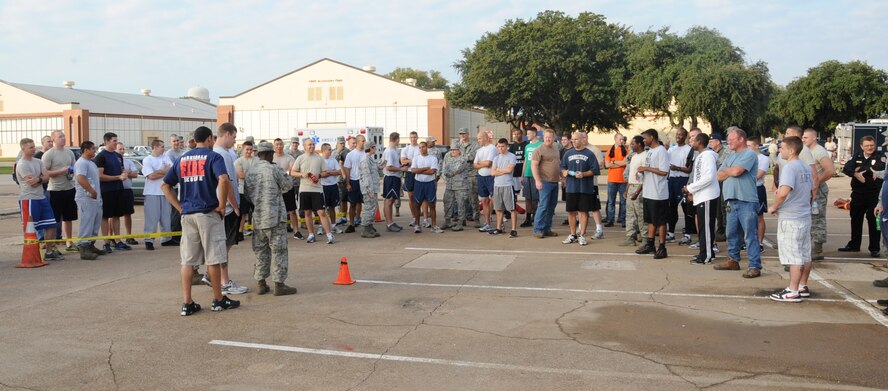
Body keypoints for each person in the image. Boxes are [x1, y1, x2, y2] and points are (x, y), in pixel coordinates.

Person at [162, 126, 240, 316]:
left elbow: (165, 185)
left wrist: (180, 208)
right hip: (207, 213)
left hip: (188, 215)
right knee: (213, 259)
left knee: (188, 261)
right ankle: (218, 300)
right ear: (208, 139)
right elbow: (223, 180)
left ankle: (187, 303)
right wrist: (222, 206)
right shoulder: (214, 157)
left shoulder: (181, 159)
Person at [245, 141, 298, 296]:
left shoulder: (251, 171)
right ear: (269, 154)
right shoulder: (274, 169)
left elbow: (248, 195)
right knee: (279, 250)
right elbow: (288, 185)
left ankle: (261, 283)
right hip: (274, 217)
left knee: (261, 251)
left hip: (259, 217)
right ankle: (279, 284)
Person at [204, 123, 249, 295]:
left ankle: (214, 276)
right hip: (227, 208)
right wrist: (235, 205)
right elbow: (227, 182)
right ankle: (223, 281)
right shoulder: (223, 155)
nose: (234, 141)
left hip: (218, 205)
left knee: (220, 245)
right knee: (224, 246)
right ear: (227, 134)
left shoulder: (213, 154)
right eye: (234, 137)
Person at [768, 136, 815, 302]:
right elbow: (811, 190)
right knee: (804, 253)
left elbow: (784, 191)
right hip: (803, 214)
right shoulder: (806, 167)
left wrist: (774, 207)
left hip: (791, 217)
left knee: (793, 255)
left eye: (783, 148)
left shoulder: (790, 167)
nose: (780, 150)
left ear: (792, 150)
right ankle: (802, 285)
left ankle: (792, 290)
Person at [713, 128, 762, 278]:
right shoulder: (730, 156)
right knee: (731, 233)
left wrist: (729, 171)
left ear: (741, 139)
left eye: (731, 140)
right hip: (731, 200)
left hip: (746, 200)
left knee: (750, 235)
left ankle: (754, 265)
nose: (728, 142)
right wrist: (730, 170)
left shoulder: (749, 154)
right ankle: (733, 260)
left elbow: (736, 172)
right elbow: (718, 176)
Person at [17, 137, 63, 260]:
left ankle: (49, 252)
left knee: (51, 224)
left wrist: (39, 179)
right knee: (31, 227)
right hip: (29, 199)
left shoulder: (38, 161)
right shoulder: (22, 164)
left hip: (41, 197)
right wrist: (39, 179)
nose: (34, 149)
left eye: (34, 146)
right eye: (31, 147)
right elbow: (32, 182)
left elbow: (46, 177)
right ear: (23, 149)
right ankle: (32, 253)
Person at [840, 135, 884, 257]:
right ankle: (854, 245)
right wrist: (855, 173)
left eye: (872, 145)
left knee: (873, 220)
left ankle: (874, 248)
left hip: (874, 194)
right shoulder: (857, 155)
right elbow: (846, 168)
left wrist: (863, 170)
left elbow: (880, 169)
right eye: (867, 146)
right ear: (861, 146)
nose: (870, 148)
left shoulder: (881, 156)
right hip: (858, 194)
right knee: (855, 219)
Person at [684, 133, 720, 264]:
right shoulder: (700, 156)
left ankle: (706, 255)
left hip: (707, 196)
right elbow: (699, 176)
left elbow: (709, 178)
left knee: (706, 227)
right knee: (703, 226)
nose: (691, 142)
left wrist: (690, 188)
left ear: (699, 142)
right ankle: (706, 252)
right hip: (701, 196)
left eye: (693, 140)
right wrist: (693, 191)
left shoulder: (708, 156)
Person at [292, 137, 335, 244]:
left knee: (321, 212)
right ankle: (311, 234)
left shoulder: (319, 158)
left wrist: (319, 175)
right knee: (307, 212)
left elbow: (326, 172)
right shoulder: (300, 158)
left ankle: (329, 234)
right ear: (304, 146)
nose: (311, 146)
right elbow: (292, 172)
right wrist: (301, 174)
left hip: (317, 189)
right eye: (309, 145)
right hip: (304, 189)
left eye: (313, 144)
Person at [561, 131, 601, 245]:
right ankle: (572, 234)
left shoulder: (589, 153)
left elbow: (595, 170)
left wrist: (583, 174)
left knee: (583, 212)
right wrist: (564, 172)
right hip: (571, 188)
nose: (573, 141)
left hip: (585, 188)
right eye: (572, 140)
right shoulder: (568, 154)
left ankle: (582, 235)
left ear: (582, 140)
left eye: (576, 139)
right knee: (571, 212)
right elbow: (562, 167)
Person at [801, 128, 836, 260]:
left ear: (814, 138)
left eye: (806, 138)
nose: (803, 140)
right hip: (808, 190)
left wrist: (816, 183)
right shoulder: (807, 151)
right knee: (808, 218)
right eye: (803, 138)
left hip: (818, 191)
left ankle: (817, 249)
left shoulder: (819, 151)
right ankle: (807, 246)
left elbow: (830, 170)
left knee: (817, 219)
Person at [635, 129, 670, 259]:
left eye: (645, 138)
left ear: (652, 137)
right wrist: (642, 172)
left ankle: (662, 247)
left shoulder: (661, 151)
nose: (643, 140)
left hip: (658, 193)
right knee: (650, 219)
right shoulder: (650, 152)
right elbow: (649, 169)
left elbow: (664, 171)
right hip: (649, 192)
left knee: (660, 221)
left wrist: (646, 168)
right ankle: (650, 244)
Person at [42, 130, 78, 252]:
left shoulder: (69, 152)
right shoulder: (49, 154)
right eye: (60, 136)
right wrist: (60, 171)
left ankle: (69, 242)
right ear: (53, 139)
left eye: (64, 136)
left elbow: (74, 166)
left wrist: (70, 170)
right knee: (54, 219)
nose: (63, 138)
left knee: (68, 218)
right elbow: (44, 173)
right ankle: (52, 245)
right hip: (55, 190)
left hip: (69, 188)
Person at [94, 132, 129, 253]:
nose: (116, 143)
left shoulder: (118, 156)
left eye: (116, 140)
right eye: (114, 141)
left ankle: (118, 241)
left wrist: (124, 174)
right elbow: (100, 176)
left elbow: (122, 169)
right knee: (105, 217)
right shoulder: (101, 157)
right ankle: (106, 243)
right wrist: (117, 177)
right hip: (106, 191)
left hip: (118, 189)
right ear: (107, 142)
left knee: (117, 216)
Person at [141, 139, 174, 251]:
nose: (163, 148)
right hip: (152, 192)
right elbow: (151, 176)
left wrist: (159, 171)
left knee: (166, 216)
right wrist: (165, 171)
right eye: (161, 146)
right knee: (152, 217)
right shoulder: (147, 160)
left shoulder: (165, 157)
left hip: (165, 192)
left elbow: (172, 171)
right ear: (155, 147)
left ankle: (166, 238)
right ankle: (149, 240)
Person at [72, 141, 103, 260]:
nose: (94, 151)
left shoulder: (91, 163)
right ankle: (83, 248)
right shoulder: (82, 163)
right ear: (86, 150)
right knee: (87, 223)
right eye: (92, 149)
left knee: (94, 223)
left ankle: (90, 245)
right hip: (86, 198)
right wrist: (91, 191)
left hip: (95, 198)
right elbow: (80, 178)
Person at [531, 129, 562, 238]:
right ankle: (537, 230)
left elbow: (558, 163)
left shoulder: (556, 148)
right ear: (543, 137)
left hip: (554, 182)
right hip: (544, 182)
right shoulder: (539, 150)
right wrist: (537, 180)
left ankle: (547, 229)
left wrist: (562, 178)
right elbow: (534, 165)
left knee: (551, 207)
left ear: (554, 138)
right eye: (546, 137)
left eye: (550, 137)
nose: (548, 139)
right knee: (543, 206)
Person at [667, 128, 693, 244]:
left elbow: (689, 169)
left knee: (685, 207)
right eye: (677, 134)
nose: (678, 136)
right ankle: (671, 232)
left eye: (681, 135)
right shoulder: (671, 150)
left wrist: (677, 168)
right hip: (672, 180)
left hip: (683, 180)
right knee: (671, 207)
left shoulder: (689, 150)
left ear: (685, 136)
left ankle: (687, 234)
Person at [410, 141, 443, 234]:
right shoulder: (416, 158)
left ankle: (434, 226)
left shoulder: (433, 158)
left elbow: (432, 171)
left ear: (426, 147)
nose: (421, 149)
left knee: (432, 205)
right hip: (419, 184)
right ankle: (417, 225)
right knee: (417, 204)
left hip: (430, 184)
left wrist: (419, 170)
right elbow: (413, 170)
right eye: (419, 147)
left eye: (423, 147)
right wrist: (425, 169)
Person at [273, 138, 302, 239]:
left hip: (288, 188)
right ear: (274, 146)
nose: (279, 146)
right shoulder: (271, 158)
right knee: (275, 211)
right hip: (275, 189)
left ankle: (296, 231)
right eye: (277, 144)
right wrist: (285, 172)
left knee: (292, 211)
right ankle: (277, 233)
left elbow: (292, 171)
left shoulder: (289, 158)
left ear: (283, 145)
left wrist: (280, 173)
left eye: (280, 144)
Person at [490, 138, 518, 237]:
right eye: (499, 146)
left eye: (502, 146)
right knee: (498, 209)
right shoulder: (496, 158)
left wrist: (498, 169)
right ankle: (499, 228)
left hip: (507, 185)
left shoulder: (512, 156)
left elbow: (509, 170)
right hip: (497, 185)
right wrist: (502, 170)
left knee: (512, 208)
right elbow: (492, 172)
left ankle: (514, 229)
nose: (500, 148)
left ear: (507, 146)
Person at [621, 136, 646, 247]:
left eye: (633, 143)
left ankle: (645, 237)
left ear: (640, 144)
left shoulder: (645, 156)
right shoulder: (634, 157)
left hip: (640, 187)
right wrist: (627, 189)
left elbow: (644, 177)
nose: (631, 145)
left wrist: (637, 191)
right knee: (630, 213)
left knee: (640, 214)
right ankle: (630, 237)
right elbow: (631, 176)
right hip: (631, 186)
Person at [747, 136, 770, 252]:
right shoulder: (746, 157)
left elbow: (759, 175)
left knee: (759, 217)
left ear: (756, 146)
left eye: (750, 146)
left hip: (757, 189)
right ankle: (749, 241)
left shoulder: (763, 159)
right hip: (746, 189)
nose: (748, 148)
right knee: (747, 216)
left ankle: (759, 243)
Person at [115, 142, 140, 247]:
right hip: (116, 190)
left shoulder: (128, 161)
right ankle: (115, 238)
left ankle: (129, 236)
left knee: (128, 214)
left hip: (127, 190)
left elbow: (135, 174)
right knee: (115, 215)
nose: (122, 151)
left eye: (123, 149)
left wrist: (126, 173)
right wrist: (124, 173)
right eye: (119, 149)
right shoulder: (113, 161)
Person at [382, 132, 406, 232]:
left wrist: (400, 167)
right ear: (396, 139)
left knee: (391, 201)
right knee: (389, 200)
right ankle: (388, 223)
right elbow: (389, 167)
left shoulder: (393, 150)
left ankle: (391, 222)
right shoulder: (389, 151)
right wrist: (401, 169)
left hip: (394, 178)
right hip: (391, 178)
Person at [442, 144, 469, 231]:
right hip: (450, 185)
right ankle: (447, 221)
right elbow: (444, 170)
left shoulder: (463, 160)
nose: (452, 151)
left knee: (461, 204)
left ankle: (460, 222)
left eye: (455, 150)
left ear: (459, 151)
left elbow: (456, 170)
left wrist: (449, 172)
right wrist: (448, 172)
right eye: (451, 150)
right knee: (447, 202)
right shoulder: (449, 160)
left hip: (460, 185)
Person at [344, 135, 367, 233]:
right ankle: (351, 224)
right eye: (363, 141)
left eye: (365, 141)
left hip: (364, 181)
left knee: (361, 202)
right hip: (354, 181)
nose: (364, 142)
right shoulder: (351, 155)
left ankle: (359, 219)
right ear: (357, 142)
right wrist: (348, 183)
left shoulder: (367, 153)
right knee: (352, 203)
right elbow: (347, 170)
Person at [474, 131, 497, 232]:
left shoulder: (492, 148)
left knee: (495, 201)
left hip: (491, 177)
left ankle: (499, 224)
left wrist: (480, 163)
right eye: (477, 138)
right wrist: (481, 163)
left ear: (486, 138)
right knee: (484, 201)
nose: (478, 140)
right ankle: (487, 223)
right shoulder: (479, 151)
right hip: (481, 177)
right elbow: (474, 165)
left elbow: (489, 163)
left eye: (479, 138)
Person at [234, 141, 257, 240]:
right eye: (247, 149)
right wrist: (252, 174)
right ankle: (240, 232)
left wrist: (246, 172)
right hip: (242, 190)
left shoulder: (257, 160)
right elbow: (240, 175)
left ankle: (257, 232)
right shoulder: (238, 161)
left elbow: (260, 174)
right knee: (243, 213)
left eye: (251, 149)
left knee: (257, 212)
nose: (249, 151)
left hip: (256, 191)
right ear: (243, 150)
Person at [604, 133, 628, 228]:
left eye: (622, 139)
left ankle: (623, 219)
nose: (621, 141)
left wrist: (613, 162)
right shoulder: (610, 151)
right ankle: (610, 220)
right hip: (612, 180)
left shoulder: (626, 151)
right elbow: (607, 165)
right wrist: (620, 164)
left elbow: (626, 162)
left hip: (623, 180)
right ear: (615, 139)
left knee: (623, 201)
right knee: (611, 201)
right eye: (620, 139)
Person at [457, 128, 481, 224]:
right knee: (461, 198)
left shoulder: (475, 145)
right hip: (461, 175)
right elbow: (453, 156)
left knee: (473, 198)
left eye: (464, 133)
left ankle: (476, 219)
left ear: (468, 134)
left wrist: (461, 158)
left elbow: (473, 157)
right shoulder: (458, 145)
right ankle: (462, 219)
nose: (462, 135)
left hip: (472, 174)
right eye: (460, 134)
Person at [359, 141, 382, 238]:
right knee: (368, 208)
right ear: (371, 148)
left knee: (373, 208)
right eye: (374, 147)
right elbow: (366, 176)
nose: (375, 149)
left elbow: (374, 170)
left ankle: (370, 226)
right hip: (369, 189)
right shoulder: (365, 160)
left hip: (373, 188)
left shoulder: (370, 158)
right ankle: (365, 228)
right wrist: (370, 190)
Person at [165, 134, 185, 246]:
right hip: (175, 187)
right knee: (176, 211)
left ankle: (180, 232)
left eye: (178, 141)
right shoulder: (169, 154)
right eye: (174, 141)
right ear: (170, 142)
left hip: (182, 186)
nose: (176, 143)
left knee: (181, 210)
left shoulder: (182, 152)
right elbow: (173, 170)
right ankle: (175, 234)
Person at [709, 133, 729, 241]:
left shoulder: (725, 152)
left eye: (712, 141)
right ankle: (720, 228)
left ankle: (726, 229)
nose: (710, 143)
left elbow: (722, 166)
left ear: (718, 142)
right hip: (715, 182)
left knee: (724, 206)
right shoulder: (711, 153)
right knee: (717, 207)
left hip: (723, 182)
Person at [319, 143, 342, 237]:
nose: (331, 151)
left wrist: (330, 172)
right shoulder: (319, 160)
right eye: (329, 149)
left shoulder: (333, 160)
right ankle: (321, 226)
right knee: (322, 208)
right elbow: (319, 173)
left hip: (333, 186)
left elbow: (339, 171)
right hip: (323, 186)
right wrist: (328, 173)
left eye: (331, 149)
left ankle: (333, 225)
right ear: (323, 151)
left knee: (332, 207)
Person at [521, 127, 541, 228]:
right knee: (527, 197)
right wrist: (522, 174)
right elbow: (525, 161)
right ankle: (528, 218)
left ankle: (536, 217)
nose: (527, 135)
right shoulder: (527, 146)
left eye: (529, 133)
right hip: (527, 174)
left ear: (534, 133)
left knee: (535, 198)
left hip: (535, 175)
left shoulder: (540, 145)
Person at [507, 129, 526, 222]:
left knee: (528, 196)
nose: (516, 135)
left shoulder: (526, 145)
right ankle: (511, 212)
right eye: (515, 134)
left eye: (518, 134)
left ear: (522, 134)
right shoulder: (512, 146)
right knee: (513, 195)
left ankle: (531, 215)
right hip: (514, 174)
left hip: (525, 174)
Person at [334, 136, 351, 226]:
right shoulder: (333, 152)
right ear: (337, 144)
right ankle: (338, 217)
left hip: (343, 180)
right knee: (336, 200)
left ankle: (343, 217)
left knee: (344, 199)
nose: (342, 145)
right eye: (341, 143)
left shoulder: (347, 152)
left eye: (343, 143)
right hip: (334, 180)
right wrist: (338, 152)